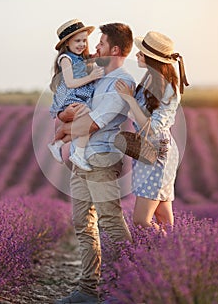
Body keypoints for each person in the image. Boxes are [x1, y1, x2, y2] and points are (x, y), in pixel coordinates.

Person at [54, 23, 135, 304]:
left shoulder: (122, 83)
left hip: (101, 159)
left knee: (110, 222)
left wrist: (67, 125)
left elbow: (93, 124)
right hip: (81, 158)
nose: (94, 47)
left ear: (114, 49)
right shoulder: (96, 76)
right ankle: (88, 290)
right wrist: (65, 116)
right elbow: (66, 109)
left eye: (100, 43)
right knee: (82, 223)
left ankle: (123, 289)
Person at [115, 31, 189, 234]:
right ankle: (172, 255)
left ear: (152, 59)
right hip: (148, 149)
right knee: (163, 215)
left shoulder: (169, 89)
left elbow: (151, 127)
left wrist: (130, 99)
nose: (137, 56)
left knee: (141, 220)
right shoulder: (150, 79)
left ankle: (167, 251)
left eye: (141, 53)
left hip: (158, 150)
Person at [48, 19, 104, 171]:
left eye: (84, 40)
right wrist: (91, 77)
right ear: (67, 44)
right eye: (77, 41)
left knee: (85, 126)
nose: (82, 44)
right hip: (71, 97)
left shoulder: (80, 58)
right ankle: (78, 154)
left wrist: (97, 55)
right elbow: (70, 82)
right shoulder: (65, 59)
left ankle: (58, 144)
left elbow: (88, 63)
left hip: (80, 96)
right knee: (88, 122)